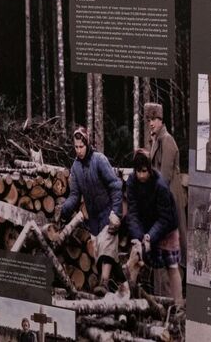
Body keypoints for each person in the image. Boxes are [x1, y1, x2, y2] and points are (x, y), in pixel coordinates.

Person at [59, 127, 125, 296]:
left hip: (108, 212)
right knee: (101, 252)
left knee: (108, 245)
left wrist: (116, 213)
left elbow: (115, 186)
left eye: (81, 146)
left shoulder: (99, 160)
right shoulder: (75, 168)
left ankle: (103, 283)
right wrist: (64, 210)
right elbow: (74, 195)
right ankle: (125, 285)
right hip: (93, 219)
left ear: (87, 144)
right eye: (76, 147)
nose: (79, 150)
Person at [125, 150, 183, 305]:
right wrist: (138, 238)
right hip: (146, 227)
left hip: (167, 227)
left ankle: (179, 306)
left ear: (149, 169)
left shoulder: (160, 185)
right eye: (138, 171)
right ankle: (127, 301)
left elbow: (165, 218)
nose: (141, 175)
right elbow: (133, 212)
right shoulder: (131, 182)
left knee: (172, 266)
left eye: (144, 171)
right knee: (135, 258)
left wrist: (150, 236)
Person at [145, 102, 187, 274]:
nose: (151, 123)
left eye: (154, 119)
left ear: (161, 120)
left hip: (170, 197)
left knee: (175, 241)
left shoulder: (167, 140)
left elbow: (165, 176)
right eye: (149, 119)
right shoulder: (156, 140)